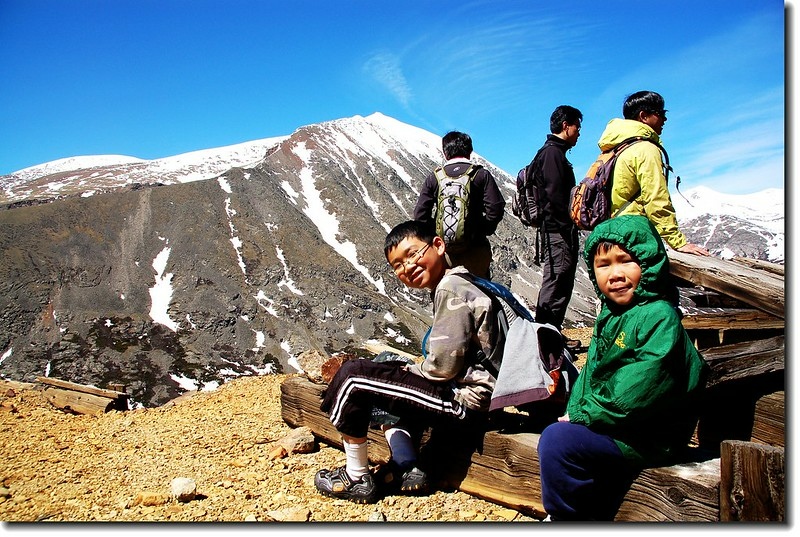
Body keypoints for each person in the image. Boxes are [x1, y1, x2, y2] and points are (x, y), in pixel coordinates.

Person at [314, 219, 500, 503]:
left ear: (438, 245)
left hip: (466, 402)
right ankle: (406, 464)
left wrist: (405, 370)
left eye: (412, 254)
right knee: (386, 371)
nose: (407, 267)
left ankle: (355, 476)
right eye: (397, 265)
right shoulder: (463, 280)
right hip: (477, 396)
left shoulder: (450, 288)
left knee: (354, 376)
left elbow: (442, 366)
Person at [537, 214, 708, 521]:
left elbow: (640, 386)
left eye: (625, 261)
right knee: (559, 434)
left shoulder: (658, 317)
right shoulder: (612, 315)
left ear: (648, 263)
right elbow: (590, 373)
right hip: (622, 427)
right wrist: (576, 411)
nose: (615, 274)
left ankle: (568, 517)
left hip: (651, 436)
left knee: (556, 442)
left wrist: (581, 415)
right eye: (604, 265)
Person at [597, 90, 710, 256]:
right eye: (661, 113)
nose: (665, 119)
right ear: (643, 116)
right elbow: (656, 197)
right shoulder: (645, 148)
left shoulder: (615, 149)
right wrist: (678, 242)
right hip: (636, 233)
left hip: (613, 231)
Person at [527, 105, 583, 349]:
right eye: (577, 127)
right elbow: (553, 196)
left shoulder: (552, 153)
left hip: (555, 231)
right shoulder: (552, 155)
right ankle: (546, 339)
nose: (579, 132)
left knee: (559, 281)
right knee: (556, 282)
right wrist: (567, 225)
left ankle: (551, 335)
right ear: (565, 126)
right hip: (557, 232)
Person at [413, 131, 506, 278]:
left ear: (445, 153)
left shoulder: (435, 178)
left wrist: (437, 234)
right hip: (476, 249)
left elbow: (420, 215)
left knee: (447, 292)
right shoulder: (480, 174)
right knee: (481, 293)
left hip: (444, 252)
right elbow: (496, 207)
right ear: (470, 151)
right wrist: (482, 229)